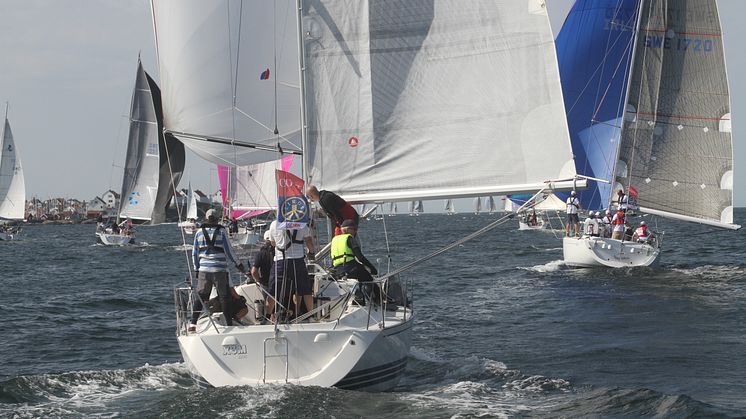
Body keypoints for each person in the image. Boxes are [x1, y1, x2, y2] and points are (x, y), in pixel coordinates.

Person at [190, 208, 246, 331]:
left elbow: (194, 252)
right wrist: (238, 264)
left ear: (206, 218)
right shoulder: (222, 231)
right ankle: (228, 323)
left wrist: (196, 269)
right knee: (223, 296)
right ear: (216, 219)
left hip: (204, 270)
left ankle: (192, 323)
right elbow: (229, 250)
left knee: (201, 295)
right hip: (220, 270)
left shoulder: (199, 232)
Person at [267, 219, 315, 321]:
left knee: (273, 291)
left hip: (281, 261)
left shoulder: (274, 224)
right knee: (305, 289)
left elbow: (272, 243)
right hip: (298, 260)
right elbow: (309, 241)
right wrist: (311, 252)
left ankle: (266, 317)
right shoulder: (301, 224)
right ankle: (310, 316)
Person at [331, 219, 378, 284]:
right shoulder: (349, 238)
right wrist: (372, 269)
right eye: (354, 229)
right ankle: (376, 293)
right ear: (347, 229)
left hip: (337, 270)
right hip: (351, 268)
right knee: (370, 281)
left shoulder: (334, 240)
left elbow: (333, 259)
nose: (355, 231)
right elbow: (360, 257)